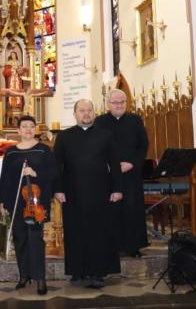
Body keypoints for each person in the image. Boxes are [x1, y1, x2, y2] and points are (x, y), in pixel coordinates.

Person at [53, 99, 123, 289]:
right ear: (75, 114)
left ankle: (98, 272)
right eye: (82, 110)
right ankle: (77, 271)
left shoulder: (106, 135)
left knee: (99, 232)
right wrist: (58, 189)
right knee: (75, 232)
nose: (86, 114)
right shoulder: (64, 137)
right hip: (72, 192)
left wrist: (117, 189)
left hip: (101, 192)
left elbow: (115, 164)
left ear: (94, 113)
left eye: (89, 110)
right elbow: (57, 165)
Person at [0, 115, 58, 294]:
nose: (28, 129)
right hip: (15, 201)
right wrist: (2, 201)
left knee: (35, 239)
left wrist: (35, 172)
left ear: (35, 129)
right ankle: (24, 275)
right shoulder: (11, 152)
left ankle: (40, 278)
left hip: (36, 203)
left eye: (31, 126)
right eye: (24, 126)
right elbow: (5, 177)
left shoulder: (44, 150)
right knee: (20, 238)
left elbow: (53, 173)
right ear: (18, 130)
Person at [94, 89, 149, 258]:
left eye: (122, 102)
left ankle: (133, 247)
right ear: (108, 104)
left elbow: (143, 145)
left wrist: (131, 163)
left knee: (132, 208)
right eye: (115, 102)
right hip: (108, 174)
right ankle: (111, 247)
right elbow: (95, 146)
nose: (119, 105)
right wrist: (110, 165)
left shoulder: (135, 120)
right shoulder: (99, 122)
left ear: (126, 103)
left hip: (130, 173)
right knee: (110, 210)